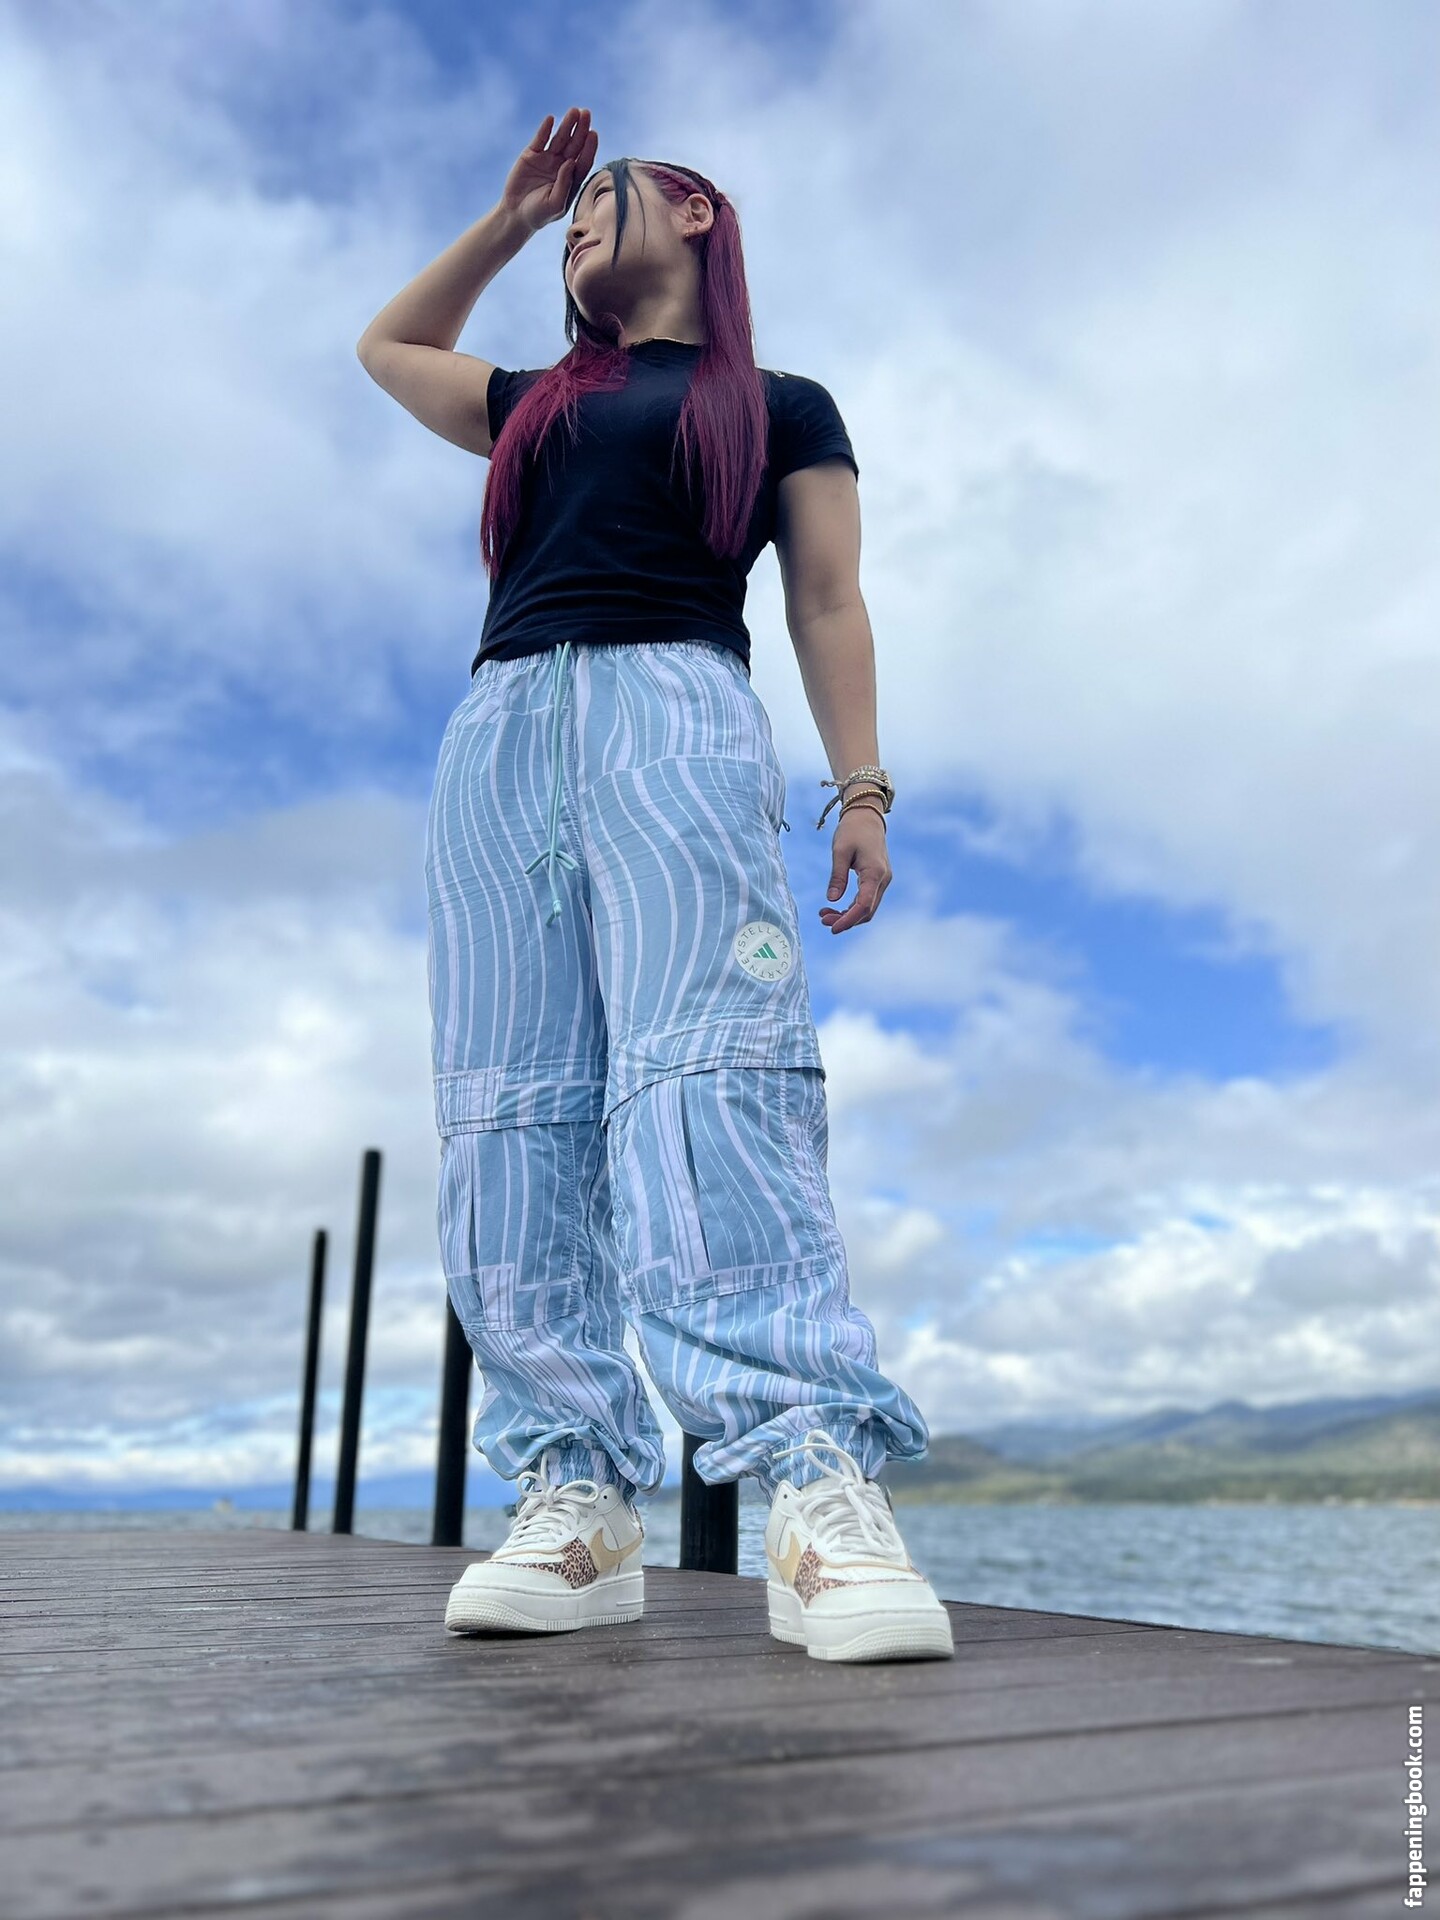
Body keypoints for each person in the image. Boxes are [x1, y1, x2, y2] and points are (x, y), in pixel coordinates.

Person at [357, 108, 953, 1664]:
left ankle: (812, 1480)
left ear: (693, 211)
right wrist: (509, 220)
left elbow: (827, 599)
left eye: (593, 206)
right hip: (501, 735)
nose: (572, 232)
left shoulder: (777, 403)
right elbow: (388, 347)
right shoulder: (536, 401)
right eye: (562, 226)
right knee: (509, 1103)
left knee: (714, 1073)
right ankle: (579, 1492)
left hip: (677, 714)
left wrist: (862, 788)